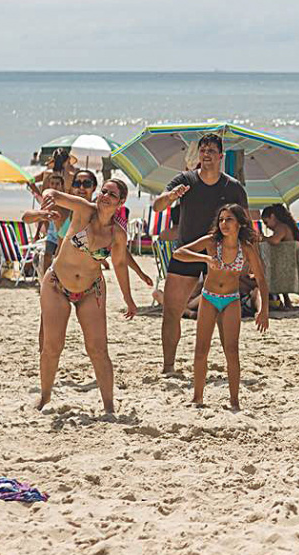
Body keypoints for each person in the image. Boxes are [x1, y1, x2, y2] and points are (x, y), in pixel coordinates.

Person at [34, 178, 137, 413]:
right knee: (52, 346)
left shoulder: (117, 235)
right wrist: (49, 194)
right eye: (103, 192)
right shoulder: (83, 210)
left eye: (111, 194)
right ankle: (44, 397)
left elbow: (120, 266)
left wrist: (128, 299)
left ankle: (109, 406)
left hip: (92, 289)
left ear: (121, 202)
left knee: (98, 349)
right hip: (56, 284)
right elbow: (57, 195)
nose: (104, 196)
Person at [155, 134, 248, 374]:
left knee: (220, 312)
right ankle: (168, 367)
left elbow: (244, 225)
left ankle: (229, 366)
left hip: (220, 255)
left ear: (221, 156)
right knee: (171, 311)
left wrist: (247, 259)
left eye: (211, 150)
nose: (206, 154)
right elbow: (158, 206)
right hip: (187, 251)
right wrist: (171, 196)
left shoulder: (233, 187)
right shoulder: (184, 180)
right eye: (203, 150)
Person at [172, 204, 269, 409]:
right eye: (222, 219)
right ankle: (197, 397)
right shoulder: (211, 242)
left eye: (229, 219)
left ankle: (234, 402)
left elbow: (261, 278)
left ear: (240, 223)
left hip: (231, 300)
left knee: (232, 351)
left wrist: (264, 310)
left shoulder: (246, 248)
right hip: (209, 298)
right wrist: (204, 258)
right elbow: (179, 253)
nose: (224, 224)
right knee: (201, 351)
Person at [261, 203, 299, 309]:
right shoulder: (285, 226)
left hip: (286, 263)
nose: (266, 226)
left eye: (266, 222)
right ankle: (285, 300)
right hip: (288, 262)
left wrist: (262, 238)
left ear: (273, 217)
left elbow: (275, 240)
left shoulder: (281, 227)